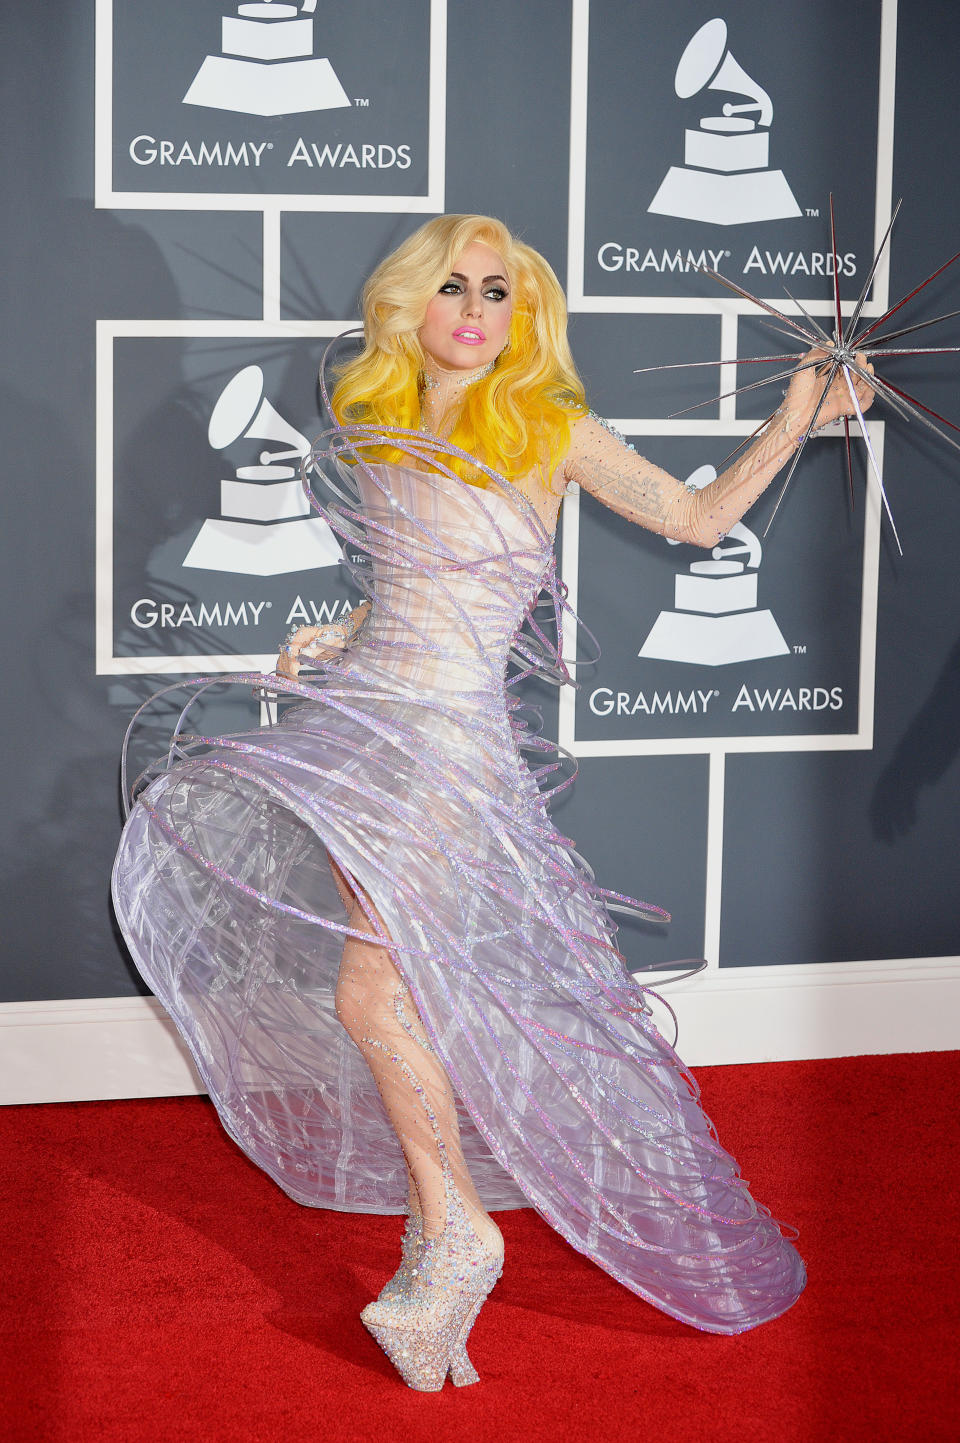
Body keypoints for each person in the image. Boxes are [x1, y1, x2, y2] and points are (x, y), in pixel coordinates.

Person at [112, 213, 873, 1392]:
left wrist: (795, 418)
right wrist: (341, 631)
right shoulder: (381, 426)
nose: (475, 308)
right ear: (410, 304)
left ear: (527, 314)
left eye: (500, 291)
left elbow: (697, 518)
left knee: (373, 990)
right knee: (382, 988)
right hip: (370, 720)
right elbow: (423, 581)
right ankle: (443, 1232)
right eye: (454, 285)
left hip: (445, 746)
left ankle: (456, 1233)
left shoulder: (549, 427)